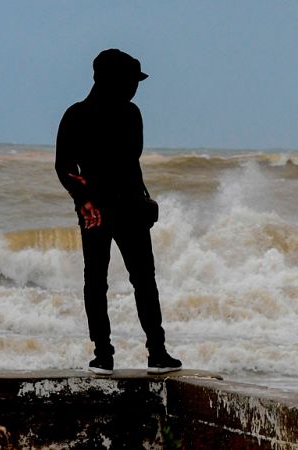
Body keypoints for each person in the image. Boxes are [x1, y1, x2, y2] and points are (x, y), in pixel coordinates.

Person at [55, 49, 181, 375]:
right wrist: (85, 203)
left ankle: (157, 352)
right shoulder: (77, 115)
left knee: (144, 281)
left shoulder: (131, 114)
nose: (135, 88)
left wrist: (146, 199)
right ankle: (103, 354)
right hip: (96, 210)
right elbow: (65, 167)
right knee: (96, 282)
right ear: (110, 80)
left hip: (130, 207)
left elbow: (131, 165)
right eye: (131, 81)